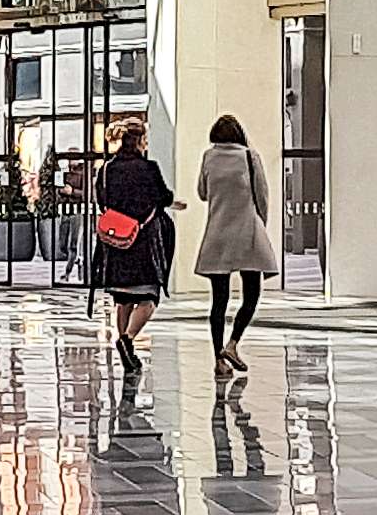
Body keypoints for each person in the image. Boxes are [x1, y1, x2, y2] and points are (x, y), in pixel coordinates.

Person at [89, 118, 177, 374]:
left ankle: (126, 343)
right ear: (139, 141)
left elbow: (101, 200)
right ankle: (126, 339)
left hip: (115, 241)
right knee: (148, 297)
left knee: (123, 297)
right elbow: (163, 196)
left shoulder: (106, 170)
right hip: (143, 240)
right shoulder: (148, 168)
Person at [190, 112, 272, 374]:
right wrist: (262, 227)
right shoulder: (250, 156)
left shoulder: (208, 157)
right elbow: (262, 195)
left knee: (219, 300)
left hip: (217, 234)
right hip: (247, 231)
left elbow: (202, 193)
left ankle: (218, 360)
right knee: (252, 293)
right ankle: (233, 343)